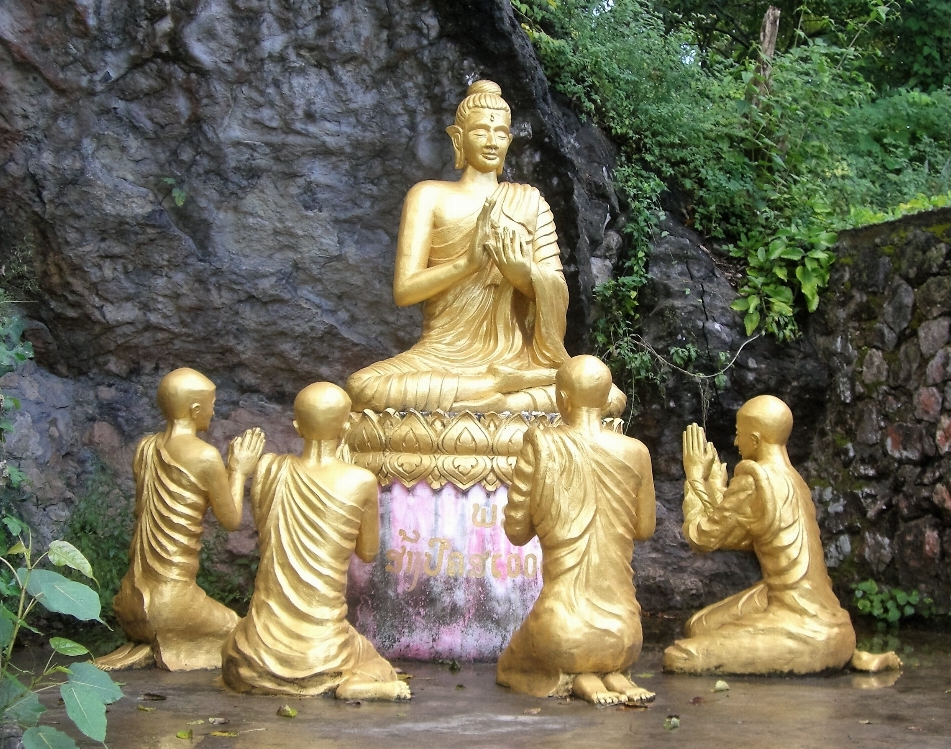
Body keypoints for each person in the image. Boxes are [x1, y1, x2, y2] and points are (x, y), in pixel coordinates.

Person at [346, 80, 625, 415]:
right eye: (480, 131)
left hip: (516, 359)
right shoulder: (429, 196)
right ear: (458, 138)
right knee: (363, 387)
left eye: (500, 133)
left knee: (605, 393)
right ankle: (497, 392)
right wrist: (466, 263)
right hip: (442, 357)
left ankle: (496, 397)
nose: (492, 141)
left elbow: (557, 290)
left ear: (509, 140)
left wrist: (523, 275)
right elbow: (405, 291)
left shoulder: (530, 202)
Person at [222, 382, 411, 700]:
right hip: (325, 650)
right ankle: (354, 685)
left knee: (232, 646)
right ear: (348, 425)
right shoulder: (360, 481)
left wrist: (239, 470)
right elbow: (367, 552)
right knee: (374, 665)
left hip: (255, 651)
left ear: (297, 427)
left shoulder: (269, 469)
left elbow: (265, 532)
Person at [496, 356, 655, 705]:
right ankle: (610, 675)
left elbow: (517, 532)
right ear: (605, 399)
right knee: (607, 653)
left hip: (562, 631)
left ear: (562, 400)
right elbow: (644, 528)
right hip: (626, 634)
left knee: (510, 667)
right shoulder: (637, 452)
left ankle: (580, 677)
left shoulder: (541, 447)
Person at [663, 395, 858, 674]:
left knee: (679, 657)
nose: (735, 443)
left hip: (800, 618)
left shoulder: (755, 478)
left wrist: (694, 477)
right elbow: (743, 534)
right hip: (824, 614)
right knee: (699, 626)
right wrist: (717, 490)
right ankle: (842, 650)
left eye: (738, 435)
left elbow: (702, 537)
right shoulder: (794, 479)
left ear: (754, 440)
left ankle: (823, 653)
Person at [96, 368, 265, 671]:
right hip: (172, 603)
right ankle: (170, 641)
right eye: (212, 405)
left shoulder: (144, 449)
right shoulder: (204, 456)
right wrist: (239, 470)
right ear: (195, 409)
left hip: (131, 601)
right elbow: (231, 519)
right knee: (245, 635)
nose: (214, 412)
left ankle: (151, 646)